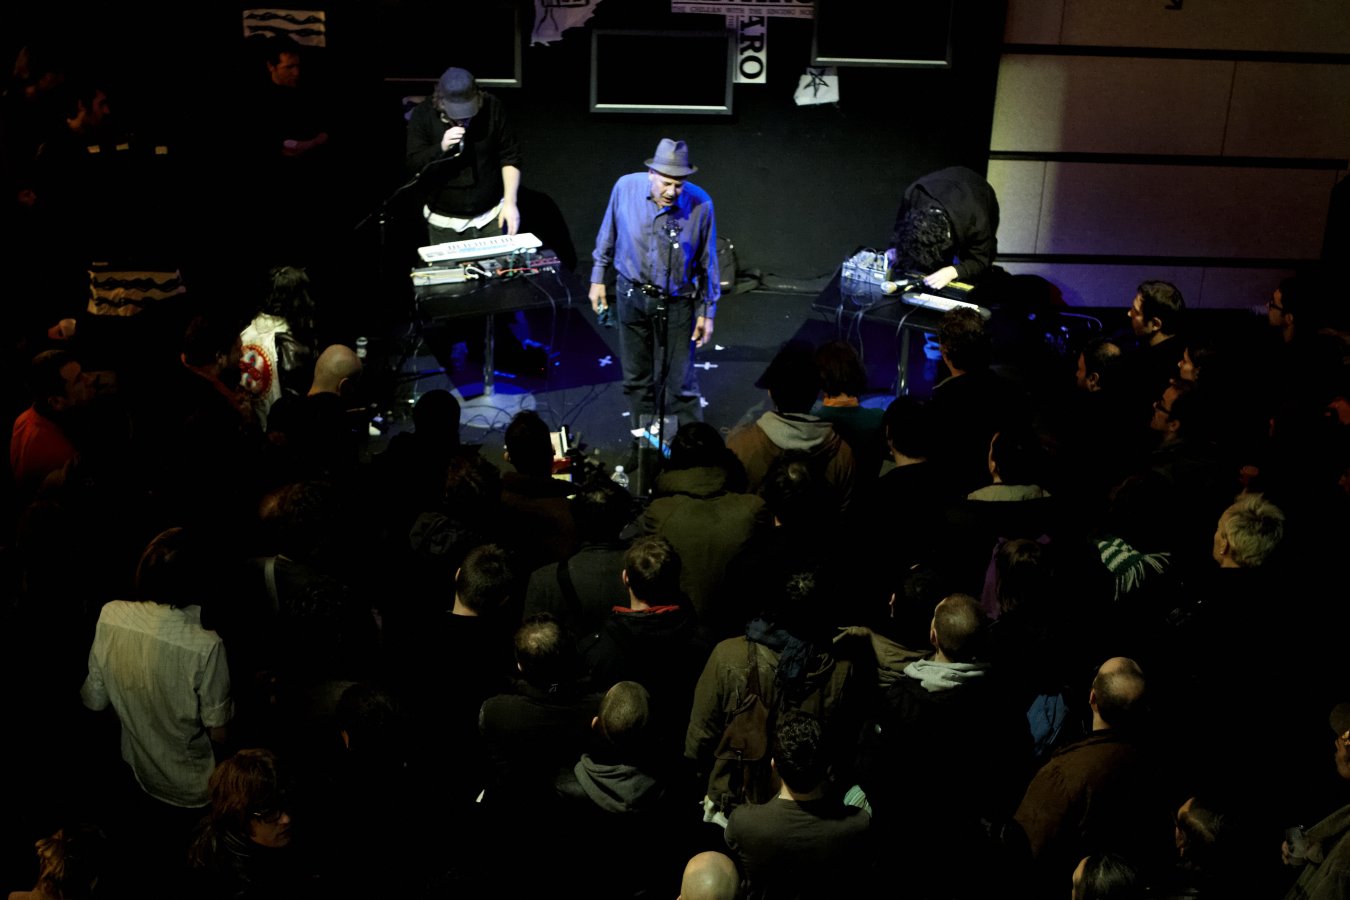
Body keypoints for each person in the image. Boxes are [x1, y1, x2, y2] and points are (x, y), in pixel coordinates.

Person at [589, 138, 719, 431]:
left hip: (676, 302)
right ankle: (644, 443)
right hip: (630, 294)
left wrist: (707, 312)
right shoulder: (625, 188)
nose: (672, 192)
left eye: (679, 185)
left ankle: (692, 446)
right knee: (636, 380)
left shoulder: (701, 204)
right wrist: (598, 278)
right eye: (666, 183)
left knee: (681, 383)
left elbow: (708, 262)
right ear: (651, 174)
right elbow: (608, 233)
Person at [406, 66, 521, 242]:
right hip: (444, 222)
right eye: (457, 113)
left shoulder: (492, 107)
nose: (462, 119)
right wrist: (441, 147)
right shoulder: (424, 114)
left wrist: (510, 203)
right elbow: (414, 164)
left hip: (491, 217)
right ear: (441, 101)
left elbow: (510, 156)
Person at [887, 165, 1000, 290]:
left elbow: (981, 260)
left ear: (948, 236)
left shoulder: (977, 219)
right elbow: (900, 233)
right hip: (941, 187)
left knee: (968, 278)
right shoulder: (914, 194)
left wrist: (954, 271)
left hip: (978, 194)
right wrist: (897, 250)